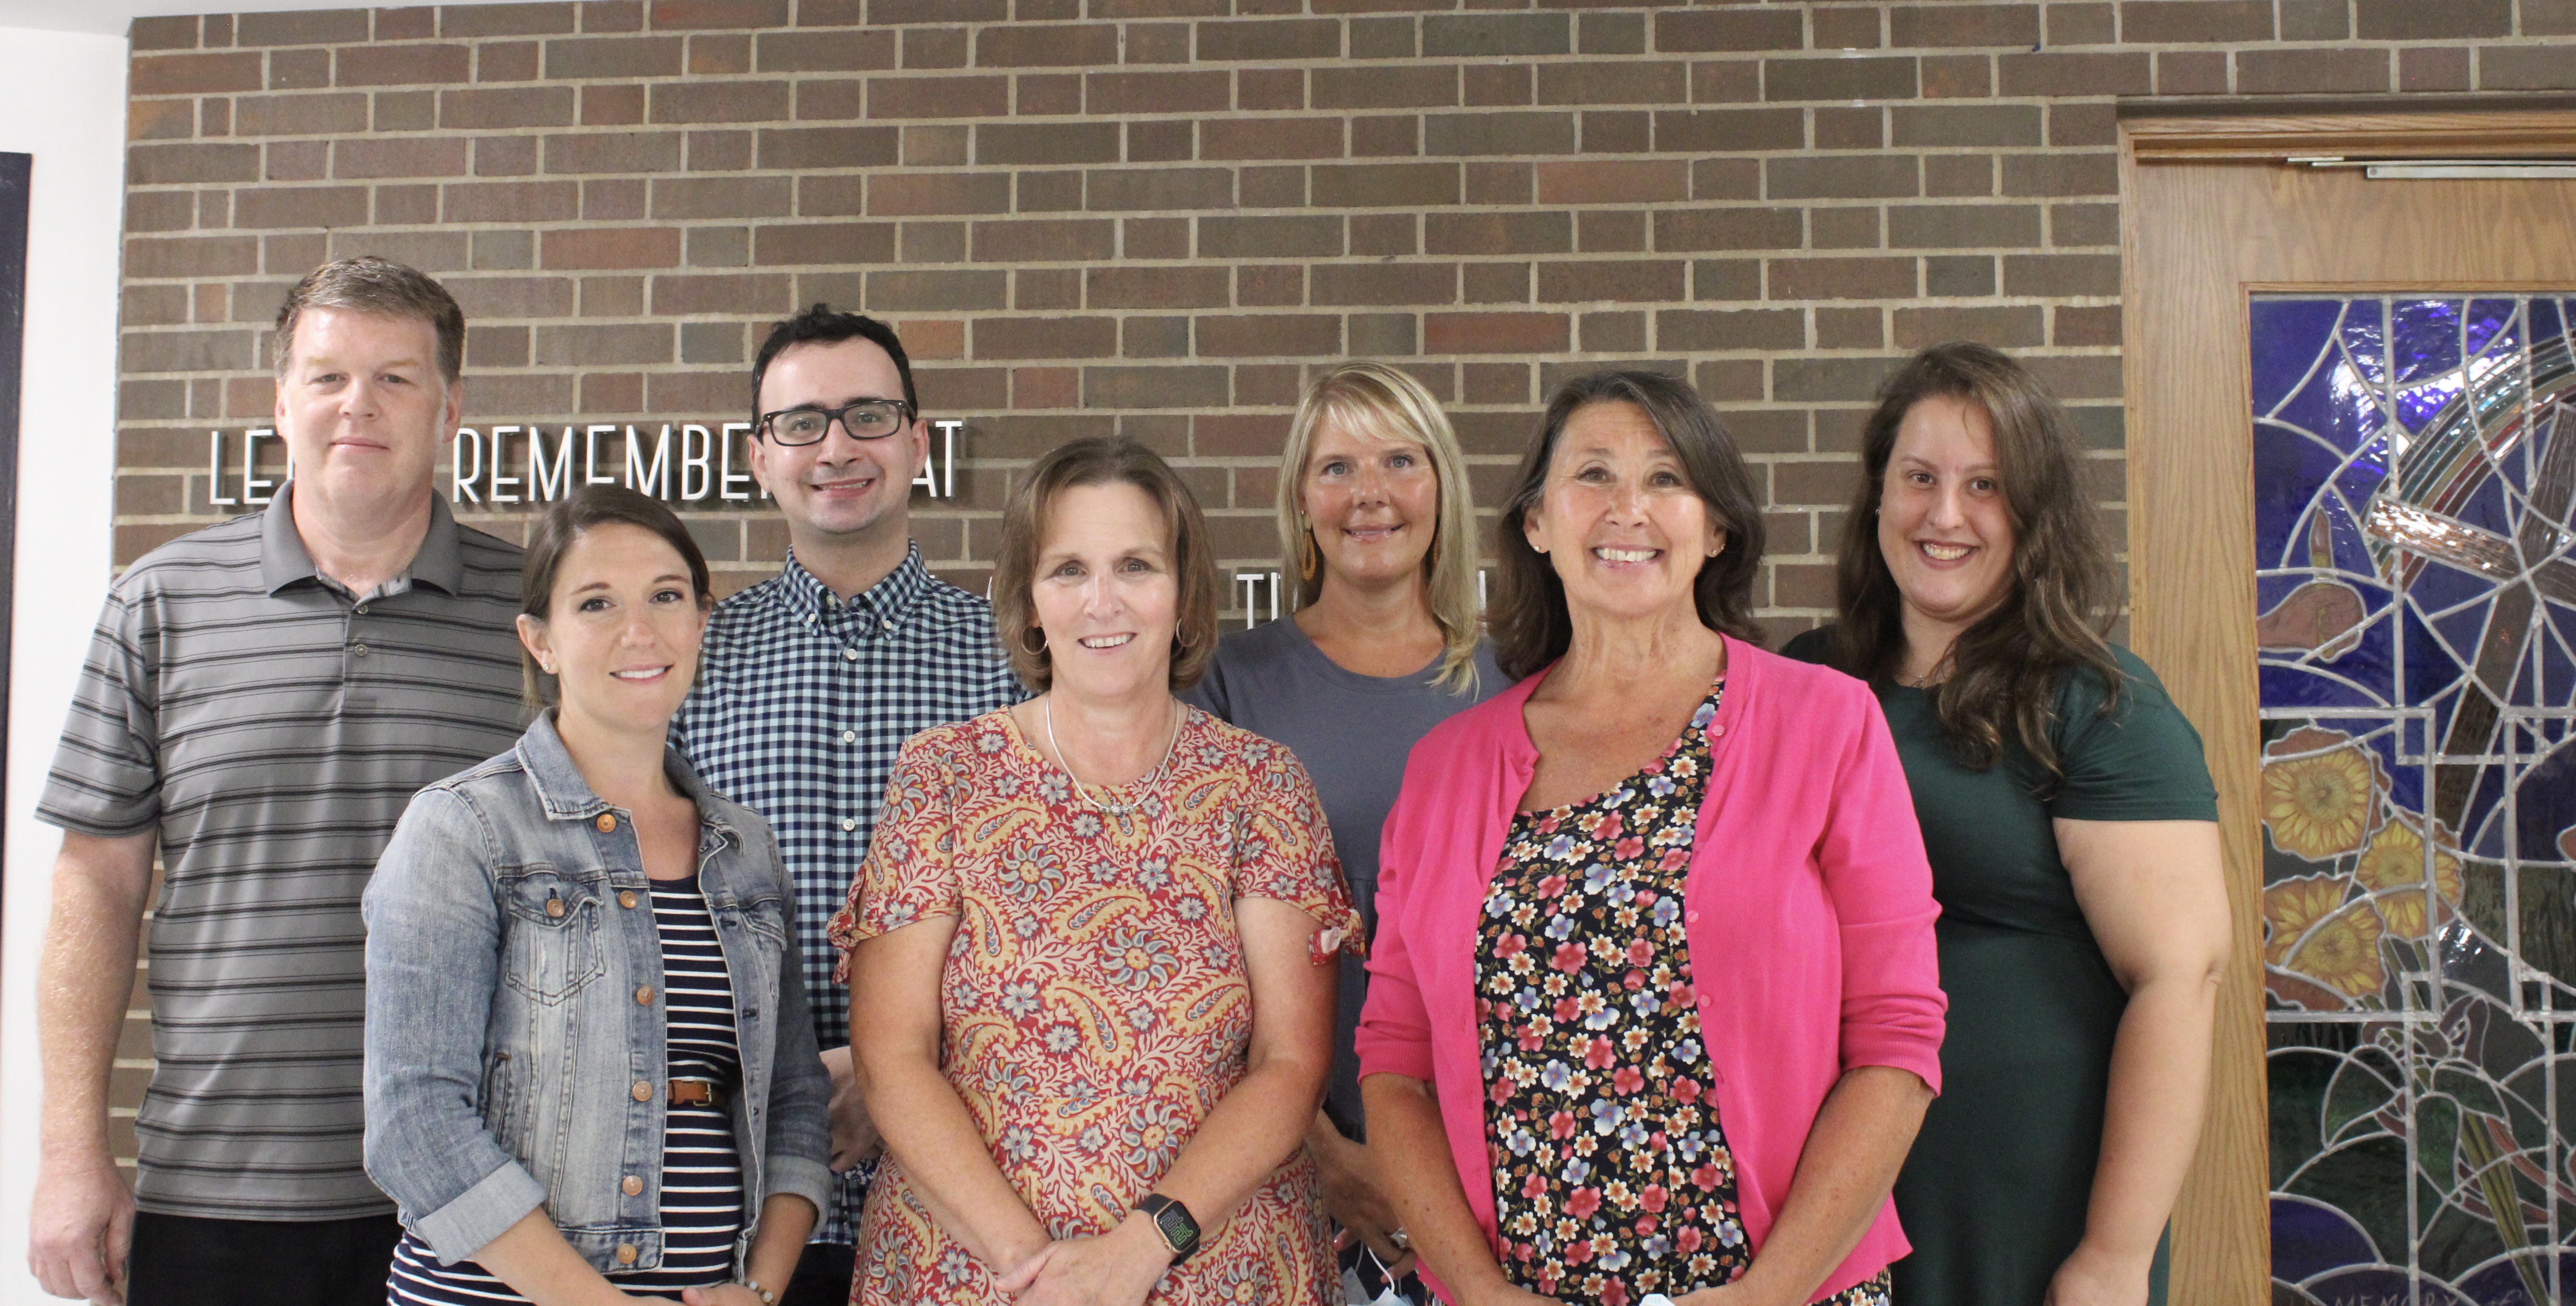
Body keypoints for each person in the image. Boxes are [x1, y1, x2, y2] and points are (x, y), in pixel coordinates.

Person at [1358, 370, 1946, 1306]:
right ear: (1538, 523)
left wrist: (1770, 1293)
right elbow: (1394, 1061)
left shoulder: (1827, 724)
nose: (1628, 508)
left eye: (1667, 479)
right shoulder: (1445, 768)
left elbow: (1898, 1040)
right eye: (1592, 473)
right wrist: (1479, 1292)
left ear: (1714, 527)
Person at [28, 257, 528, 1306]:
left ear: (450, 407)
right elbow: (97, 888)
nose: (359, 405)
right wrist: (73, 1151)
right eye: (328, 375)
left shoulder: (531, 614)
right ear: (280, 399)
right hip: (218, 1189)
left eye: (396, 378)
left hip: (481, 1193)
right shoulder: (158, 602)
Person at [831, 437, 1357, 1305]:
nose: (1101, 601)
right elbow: (892, 1055)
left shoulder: (1261, 786)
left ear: (1183, 594)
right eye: (1068, 569)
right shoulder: (945, 778)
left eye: (1136, 566)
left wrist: (1140, 1250)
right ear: (1030, 602)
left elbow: (1290, 1063)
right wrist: (1037, 1271)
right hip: (968, 1274)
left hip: (1220, 1275)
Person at [1783, 343, 2227, 1306]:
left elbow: (2177, 977)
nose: (1945, 514)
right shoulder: (1809, 678)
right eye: (1920, 478)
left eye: (1985, 484)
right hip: (1825, 1192)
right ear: (1876, 496)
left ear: (2034, 512)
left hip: (2025, 1197)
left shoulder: (2097, 701)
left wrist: (2112, 1255)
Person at [364, 486, 831, 1305]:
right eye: (595, 603)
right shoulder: (462, 829)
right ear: (539, 641)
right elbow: (415, 1123)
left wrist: (758, 1291)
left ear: (701, 621)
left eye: (665, 596)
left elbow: (792, 1102)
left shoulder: (745, 850)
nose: (639, 631)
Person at [670, 304, 1021, 1305]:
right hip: (735, 1196)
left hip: (967, 1197)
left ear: (917, 439)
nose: (836, 447)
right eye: (801, 422)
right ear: (757, 456)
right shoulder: (690, 659)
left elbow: (1051, 919)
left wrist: (891, 1070)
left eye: (868, 415)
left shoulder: (1014, 660)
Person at [1183, 361, 1504, 1303]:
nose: (1369, 493)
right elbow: (1195, 957)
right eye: (1336, 467)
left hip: (1490, 1169)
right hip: (1285, 1166)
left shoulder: (1521, 684)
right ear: (1300, 499)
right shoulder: (1229, 687)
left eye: (1399, 459)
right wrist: (1320, 1150)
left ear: (1441, 485)